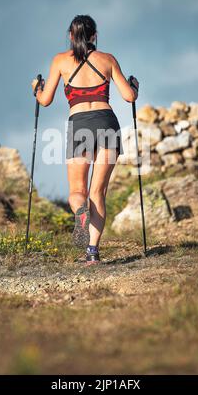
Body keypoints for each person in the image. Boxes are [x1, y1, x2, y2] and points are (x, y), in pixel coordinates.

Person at [32, 15, 139, 265]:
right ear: (94, 35)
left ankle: (81, 213)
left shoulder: (60, 61)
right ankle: (92, 252)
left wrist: (37, 89)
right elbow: (129, 97)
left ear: (71, 35)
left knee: (77, 192)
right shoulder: (107, 59)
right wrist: (134, 86)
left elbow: (45, 100)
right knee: (98, 192)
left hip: (79, 124)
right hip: (107, 123)